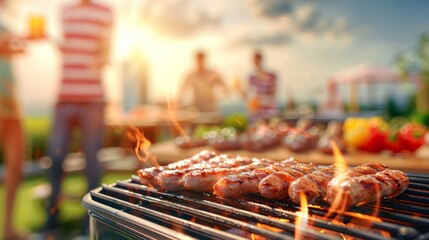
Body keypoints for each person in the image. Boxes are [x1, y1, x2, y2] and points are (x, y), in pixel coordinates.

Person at [45, 0, 113, 230]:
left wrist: (101, 59)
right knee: (55, 158)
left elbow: (107, 50)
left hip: (93, 99)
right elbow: (68, 48)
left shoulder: (106, 12)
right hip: (64, 96)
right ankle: (52, 217)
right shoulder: (64, 11)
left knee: (92, 162)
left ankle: (90, 221)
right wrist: (47, 38)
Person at [0, 0, 27, 239]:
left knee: (16, 164)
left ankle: (8, 227)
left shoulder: (4, 22)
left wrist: (15, 46)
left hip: (10, 99)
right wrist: (19, 38)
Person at [246, 51, 278, 122]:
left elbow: (273, 96)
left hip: (269, 111)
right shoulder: (251, 77)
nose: (255, 62)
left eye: (256, 59)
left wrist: (259, 99)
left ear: (260, 59)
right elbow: (248, 96)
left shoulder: (271, 76)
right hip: (256, 112)